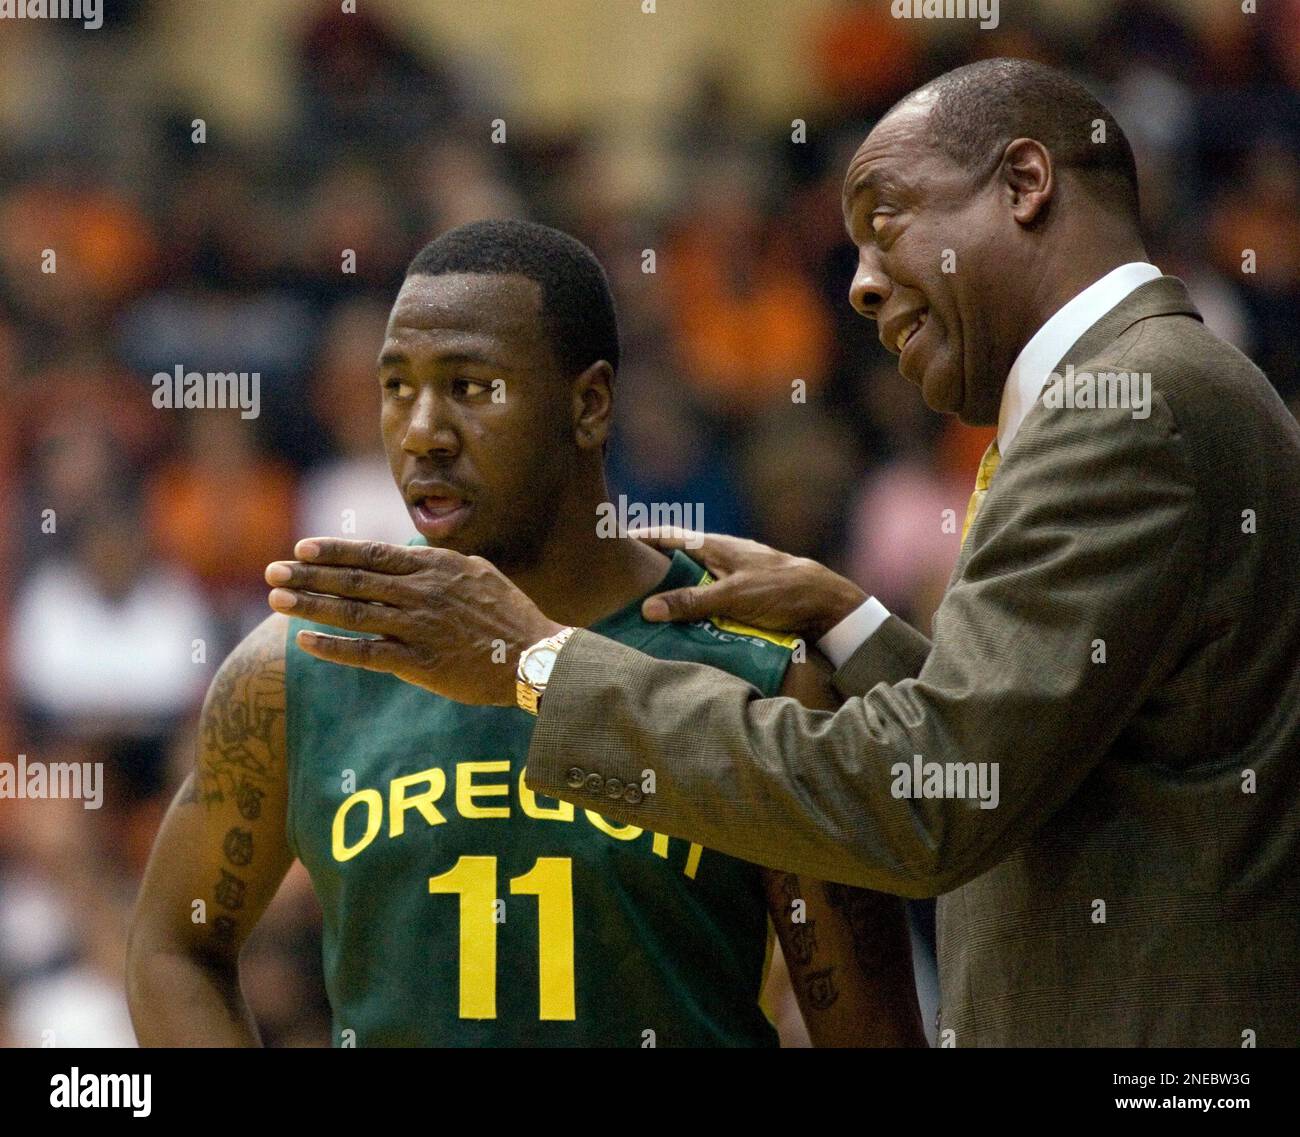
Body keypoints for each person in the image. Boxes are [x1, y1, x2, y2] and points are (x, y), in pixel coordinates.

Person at [266, 62, 1300, 1047]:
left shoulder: (1124, 409)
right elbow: (1034, 751)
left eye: (882, 226)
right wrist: (850, 622)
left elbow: (934, 794)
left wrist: (535, 663)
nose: (856, 285)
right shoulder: (1139, 389)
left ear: (1024, 184)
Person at [126, 220, 925, 1048]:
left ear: (589, 404)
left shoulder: (757, 664)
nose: (423, 431)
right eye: (397, 387)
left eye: (471, 387)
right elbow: (172, 945)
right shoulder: (296, 667)